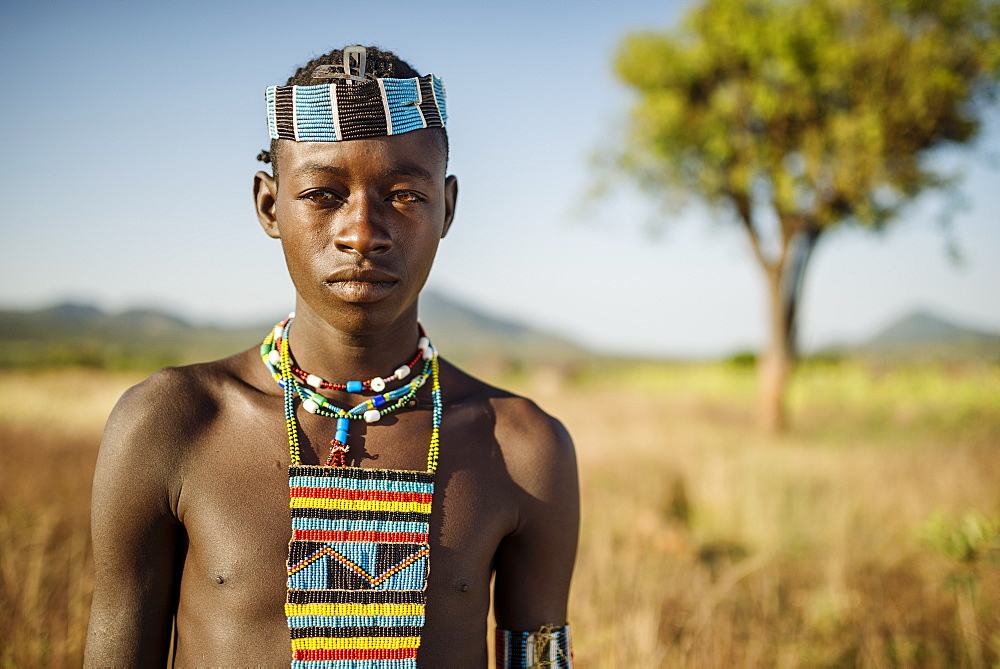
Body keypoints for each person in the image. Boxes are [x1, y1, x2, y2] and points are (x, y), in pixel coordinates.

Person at [84, 45, 579, 668]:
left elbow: (538, 658)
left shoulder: (524, 448)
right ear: (269, 205)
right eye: (323, 193)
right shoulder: (171, 422)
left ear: (447, 208)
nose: (361, 231)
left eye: (404, 195)